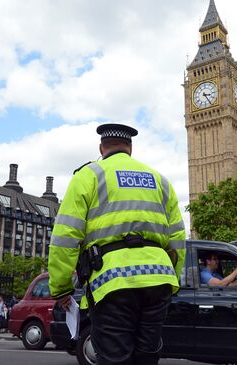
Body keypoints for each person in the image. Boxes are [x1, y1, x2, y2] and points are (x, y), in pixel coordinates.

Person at [48, 123, 186, 365]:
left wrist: (60, 288)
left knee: (115, 357)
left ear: (101, 148)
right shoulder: (160, 181)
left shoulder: (89, 175)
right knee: (147, 356)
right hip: (159, 280)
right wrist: (172, 278)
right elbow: (177, 240)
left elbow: (65, 236)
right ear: (130, 148)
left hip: (112, 281)